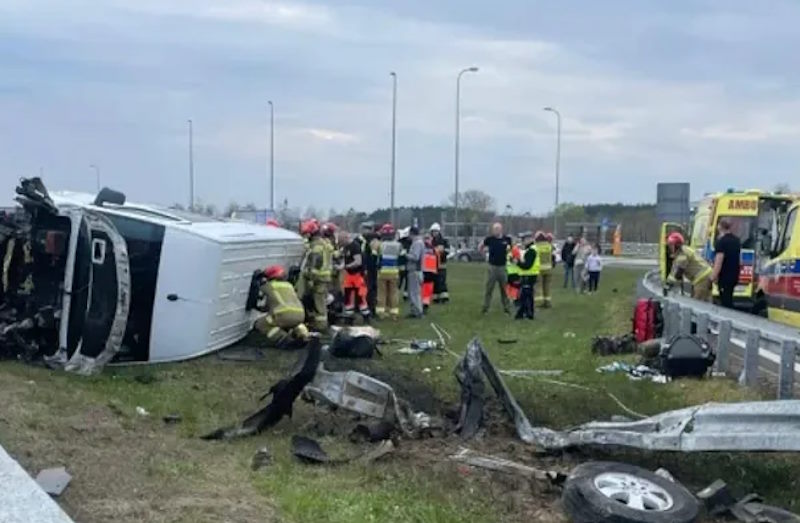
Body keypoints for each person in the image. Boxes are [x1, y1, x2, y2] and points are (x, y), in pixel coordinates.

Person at [254, 265, 309, 348]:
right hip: (301, 314)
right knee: (294, 323)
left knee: (261, 324)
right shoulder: (289, 286)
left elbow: (262, 302)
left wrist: (257, 307)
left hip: (283, 315)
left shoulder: (268, 286)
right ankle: (304, 335)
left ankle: (284, 339)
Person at [299, 220, 332, 330]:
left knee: (319, 303)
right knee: (320, 301)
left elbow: (315, 263)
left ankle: (321, 326)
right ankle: (319, 323)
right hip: (324, 277)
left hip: (318, 278)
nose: (305, 236)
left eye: (306, 234)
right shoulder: (325, 243)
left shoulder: (316, 246)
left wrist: (310, 277)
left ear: (311, 233)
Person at [665, 232, 713, 301]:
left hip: (701, 278)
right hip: (705, 275)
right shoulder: (684, 250)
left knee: (697, 303)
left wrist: (668, 284)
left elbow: (678, 273)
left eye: (670, 245)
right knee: (706, 299)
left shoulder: (682, 255)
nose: (669, 248)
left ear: (676, 245)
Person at [479, 223, 513, 314]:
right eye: (494, 229)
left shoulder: (507, 239)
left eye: (497, 229)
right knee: (489, 288)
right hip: (492, 267)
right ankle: (485, 308)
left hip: (503, 267)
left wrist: (510, 255)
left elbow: (512, 250)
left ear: (501, 229)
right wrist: (483, 254)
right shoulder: (489, 239)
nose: (495, 231)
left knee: (505, 289)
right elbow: (480, 246)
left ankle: (507, 308)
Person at [712, 218, 741, 309]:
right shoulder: (737, 241)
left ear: (720, 227)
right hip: (734, 275)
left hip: (724, 276)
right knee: (729, 296)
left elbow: (719, 261)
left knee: (725, 302)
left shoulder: (721, 242)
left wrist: (713, 276)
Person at [342, 231, 371, 323]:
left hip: (357, 275)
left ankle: (366, 317)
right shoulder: (346, 247)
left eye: (341, 240)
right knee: (348, 297)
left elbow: (358, 262)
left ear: (346, 238)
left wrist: (346, 266)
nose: (340, 243)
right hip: (349, 275)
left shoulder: (355, 246)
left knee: (360, 297)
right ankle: (349, 318)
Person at [376, 223, 401, 319]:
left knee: (382, 293)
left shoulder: (380, 245)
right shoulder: (398, 245)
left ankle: (381, 313)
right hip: (394, 272)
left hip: (382, 272)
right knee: (393, 293)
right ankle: (394, 313)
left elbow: (377, 257)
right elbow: (401, 256)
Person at [515, 232, 539, 320]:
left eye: (523, 240)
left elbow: (527, 265)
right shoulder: (530, 249)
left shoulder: (532, 250)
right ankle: (528, 314)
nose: (522, 242)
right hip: (529, 275)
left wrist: (517, 263)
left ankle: (522, 313)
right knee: (527, 295)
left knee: (525, 296)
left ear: (529, 239)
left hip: (529, 275)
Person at [357, 222, 379, 316]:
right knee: (365, 289)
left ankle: (370, 308)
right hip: (364, 268)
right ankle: (365, 307)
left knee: (370, 289)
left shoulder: (373, 240)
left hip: (370, 268)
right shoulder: (360, 240)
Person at [406, 226, 425, 318]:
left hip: (415, 270)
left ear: (412, 233)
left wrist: (406, 255)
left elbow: (415, 257)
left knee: (414, 292)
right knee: (414, 292)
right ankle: (415, 310)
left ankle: (417, 312)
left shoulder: (417, 243)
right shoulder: (419, 242)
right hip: (417, 270)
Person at [430, 223, 450, 303]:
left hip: (441, 264)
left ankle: (444, 298)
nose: (434, 233)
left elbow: (448, 251)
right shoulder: (431, 241)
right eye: (433, 232)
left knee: (441, 281)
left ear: (438, 232)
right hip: (433, 264)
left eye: (435, 231)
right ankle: (435, 298)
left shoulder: (444, 241)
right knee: (434, 281)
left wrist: (442, 251)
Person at [534, 231, 553, 308]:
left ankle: (539, 303)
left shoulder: (536, 246)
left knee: (538, 287)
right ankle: (547, 302)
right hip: (548, 269)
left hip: (539, 269)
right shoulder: (549, 246)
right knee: (547, 287)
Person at [397, 227, 411, 301]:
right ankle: (406, 295)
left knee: (401, 280)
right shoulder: (409, 242)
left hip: (402, 264)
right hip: (406, 264)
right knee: (406, 281)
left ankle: (402, 294)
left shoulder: (400, 242)